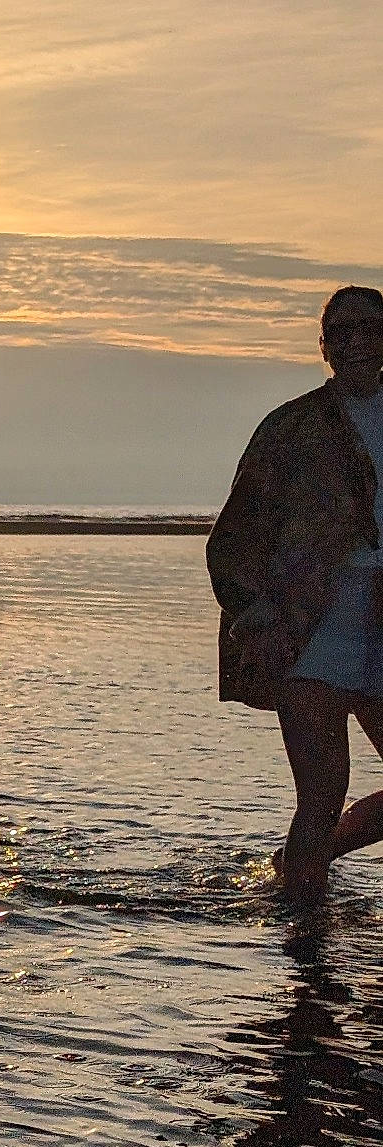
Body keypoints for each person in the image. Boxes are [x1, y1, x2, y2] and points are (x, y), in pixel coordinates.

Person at [207, 284, 383, 901]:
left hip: (380, 630)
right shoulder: (291, 427)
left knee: (323, 813)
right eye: (347, 332)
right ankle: (305, 939)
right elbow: (233, 537)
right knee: (323, 786)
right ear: (326, 346)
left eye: (373, 330)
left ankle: (305, 863)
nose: (361, 342)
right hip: (309, 637)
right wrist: (257, 615)